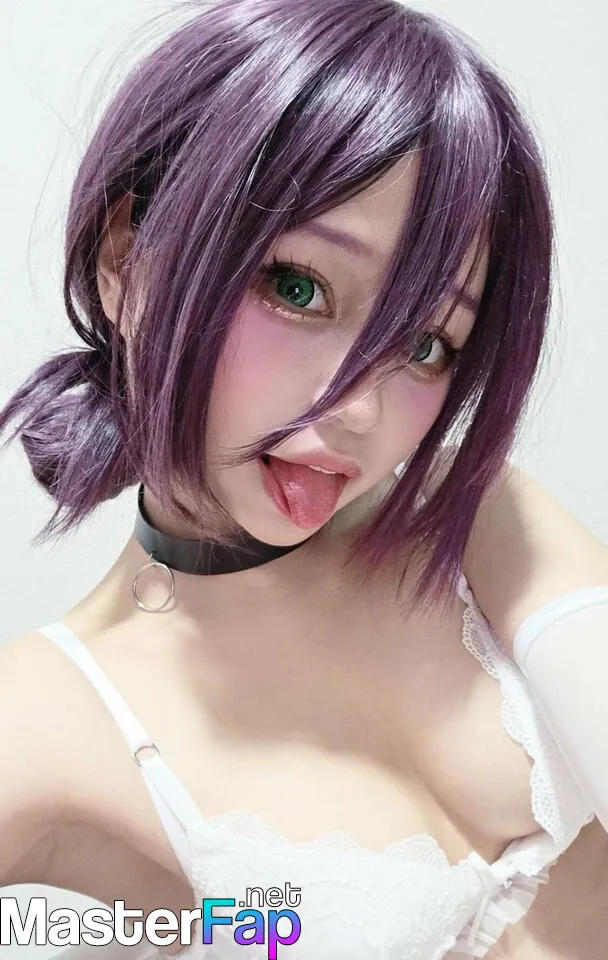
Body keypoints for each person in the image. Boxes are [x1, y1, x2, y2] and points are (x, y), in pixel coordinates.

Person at [0, 0, 606, 957]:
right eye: (298, 288)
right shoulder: (47, 715)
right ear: (127, 260)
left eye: (426, 342)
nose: (360, 409)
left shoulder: (475, 515)